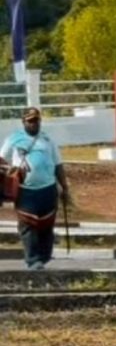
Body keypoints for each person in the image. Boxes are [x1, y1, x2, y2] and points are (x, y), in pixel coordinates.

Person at [0, 107, 70, 270]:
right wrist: (10, 169)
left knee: (46, 224)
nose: (34, 124)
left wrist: (64, 188)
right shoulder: (14, 139)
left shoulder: (47, 140)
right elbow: (1, 159)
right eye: (30, 121)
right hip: (25, 191)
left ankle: (44, 258)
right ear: (23, 122)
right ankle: (32, 260)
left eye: (36, 120)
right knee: (27, 225)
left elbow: (58, 165)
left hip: (48, 189)